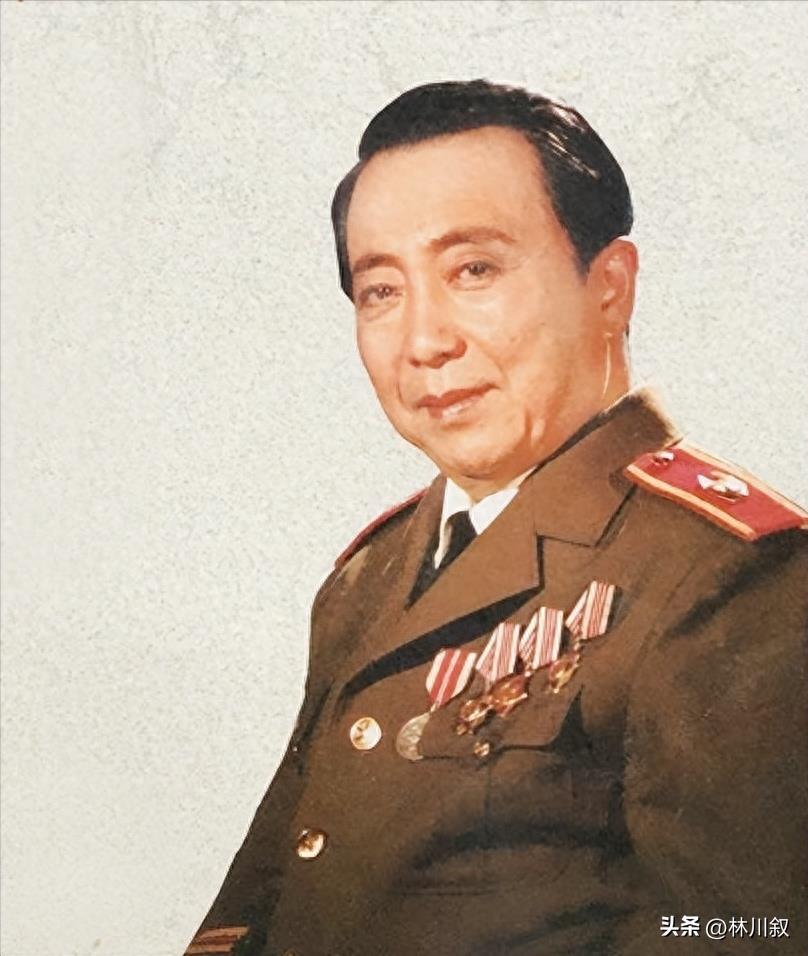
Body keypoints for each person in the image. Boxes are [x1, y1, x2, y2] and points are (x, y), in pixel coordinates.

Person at [184, 80, 807, 956]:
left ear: (610, 286)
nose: (424, 341)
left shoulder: (730, 574)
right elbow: (263, 906)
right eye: (380, 291)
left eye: (473, 271)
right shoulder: (369, 576)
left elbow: (754, 932)